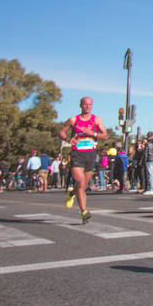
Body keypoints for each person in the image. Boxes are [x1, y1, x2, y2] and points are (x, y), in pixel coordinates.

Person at [58, 96, 108, 224]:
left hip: (90, 154)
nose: (87, 106)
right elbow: (62, 132)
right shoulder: (73, 119)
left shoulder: (96, 120)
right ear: (81, 105)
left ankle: (72, 194)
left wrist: (93, 134)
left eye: (90, 104)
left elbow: (105, 136)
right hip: (77, 154)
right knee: (80, 181)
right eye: (85, 104)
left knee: (83, 185)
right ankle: (84, 212)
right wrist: (68, 140)